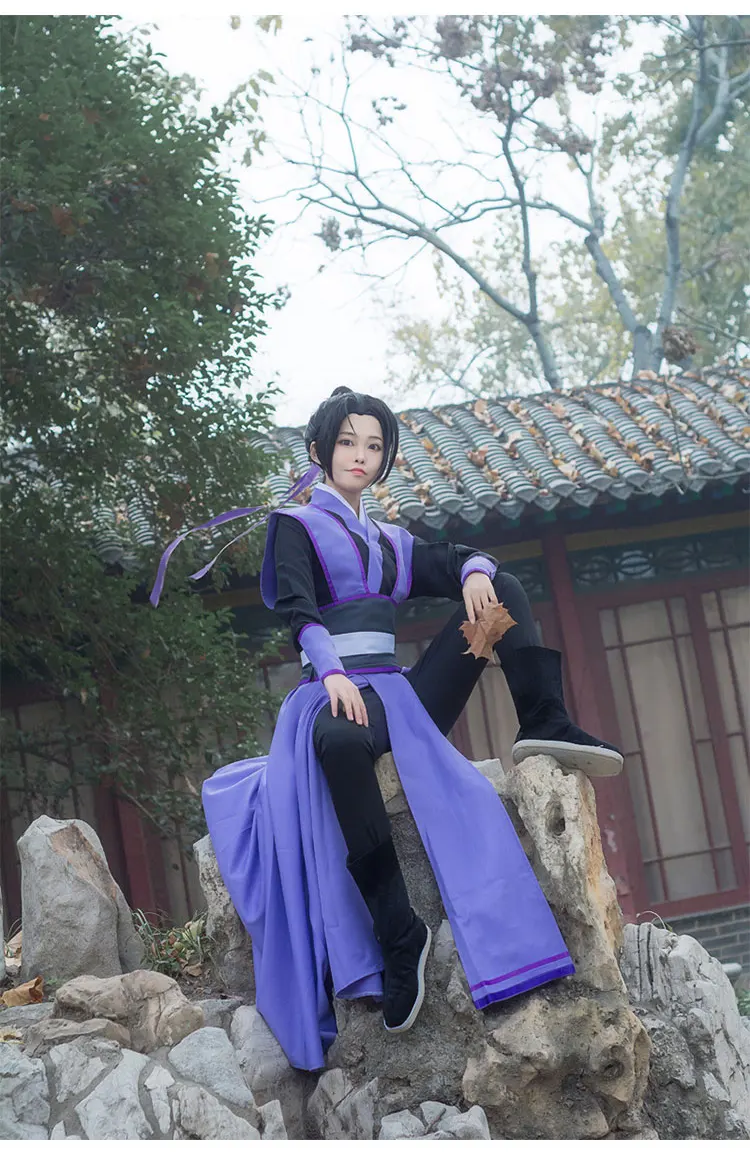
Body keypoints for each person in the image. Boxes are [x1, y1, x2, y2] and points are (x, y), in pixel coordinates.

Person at [150, 386, 622, 1071]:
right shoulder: (295, 524)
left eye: (374, 445)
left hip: (402, 696)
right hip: (334, 691)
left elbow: (453, 557)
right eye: (348, 442)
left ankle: (544, 717)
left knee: (502, 591)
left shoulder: (388, 540)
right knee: (338, 743)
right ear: (319, 450)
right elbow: (299, 610)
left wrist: (474, 571)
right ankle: (398, 930)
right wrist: (330, 672)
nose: (361, 456)